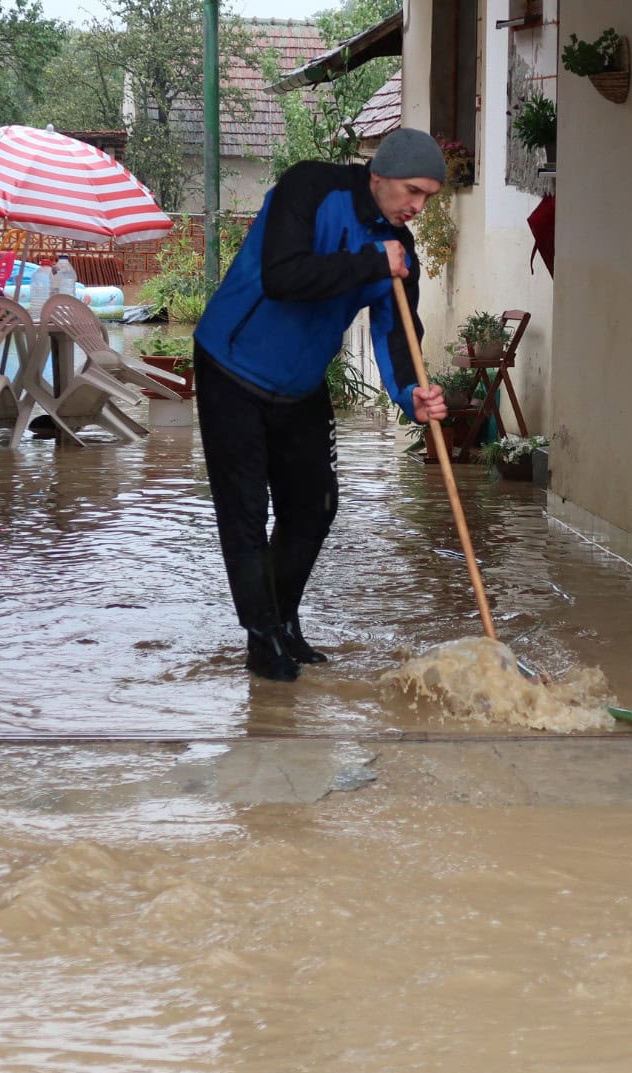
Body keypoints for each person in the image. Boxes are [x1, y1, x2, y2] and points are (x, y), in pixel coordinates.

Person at [193, 128, 450, 682]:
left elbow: (400, 338)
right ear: (377, 175)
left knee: (314, 508)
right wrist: (370, 262)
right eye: (412, 191)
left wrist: (413, 396)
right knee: (243, 512)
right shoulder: (310, 187)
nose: (418, 206)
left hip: (302, 387)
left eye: (428, 197)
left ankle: (283, 621)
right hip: (230, 368)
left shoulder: (397, 255)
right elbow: (283, 276)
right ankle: (262, 639)